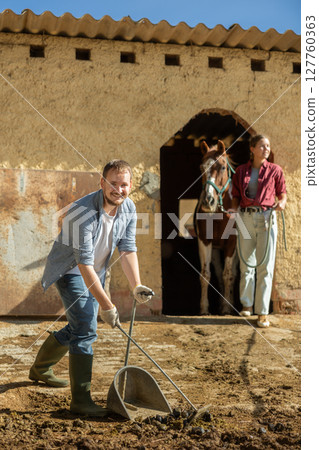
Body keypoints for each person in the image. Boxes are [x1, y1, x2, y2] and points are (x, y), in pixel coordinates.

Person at [29, 159, 154, 416]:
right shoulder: (82, 212)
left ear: (130, 187)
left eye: (124, 184)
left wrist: (136, 284)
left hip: (96, 273)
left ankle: (40, 369)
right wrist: (108, 304)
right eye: (113, 183)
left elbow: (127, 248)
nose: (119, 189)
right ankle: (81, 401)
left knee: (80, 325)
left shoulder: (128, 207)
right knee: (86, 327)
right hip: (71, 271)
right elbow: (83, 264)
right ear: (102, 183)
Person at [229, 135, 287, 328]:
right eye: (262, 146)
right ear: (252, 148)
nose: (266, 149)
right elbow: (236, 195)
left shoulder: (275, 170)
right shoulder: (240, 171)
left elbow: (282, 193)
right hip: (245, 217)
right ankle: (246, 305)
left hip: (266, 217)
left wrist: (282, 202)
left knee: (265, 265)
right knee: (246, 264)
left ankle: (262, 312)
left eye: (268, 146)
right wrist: (233, 209)